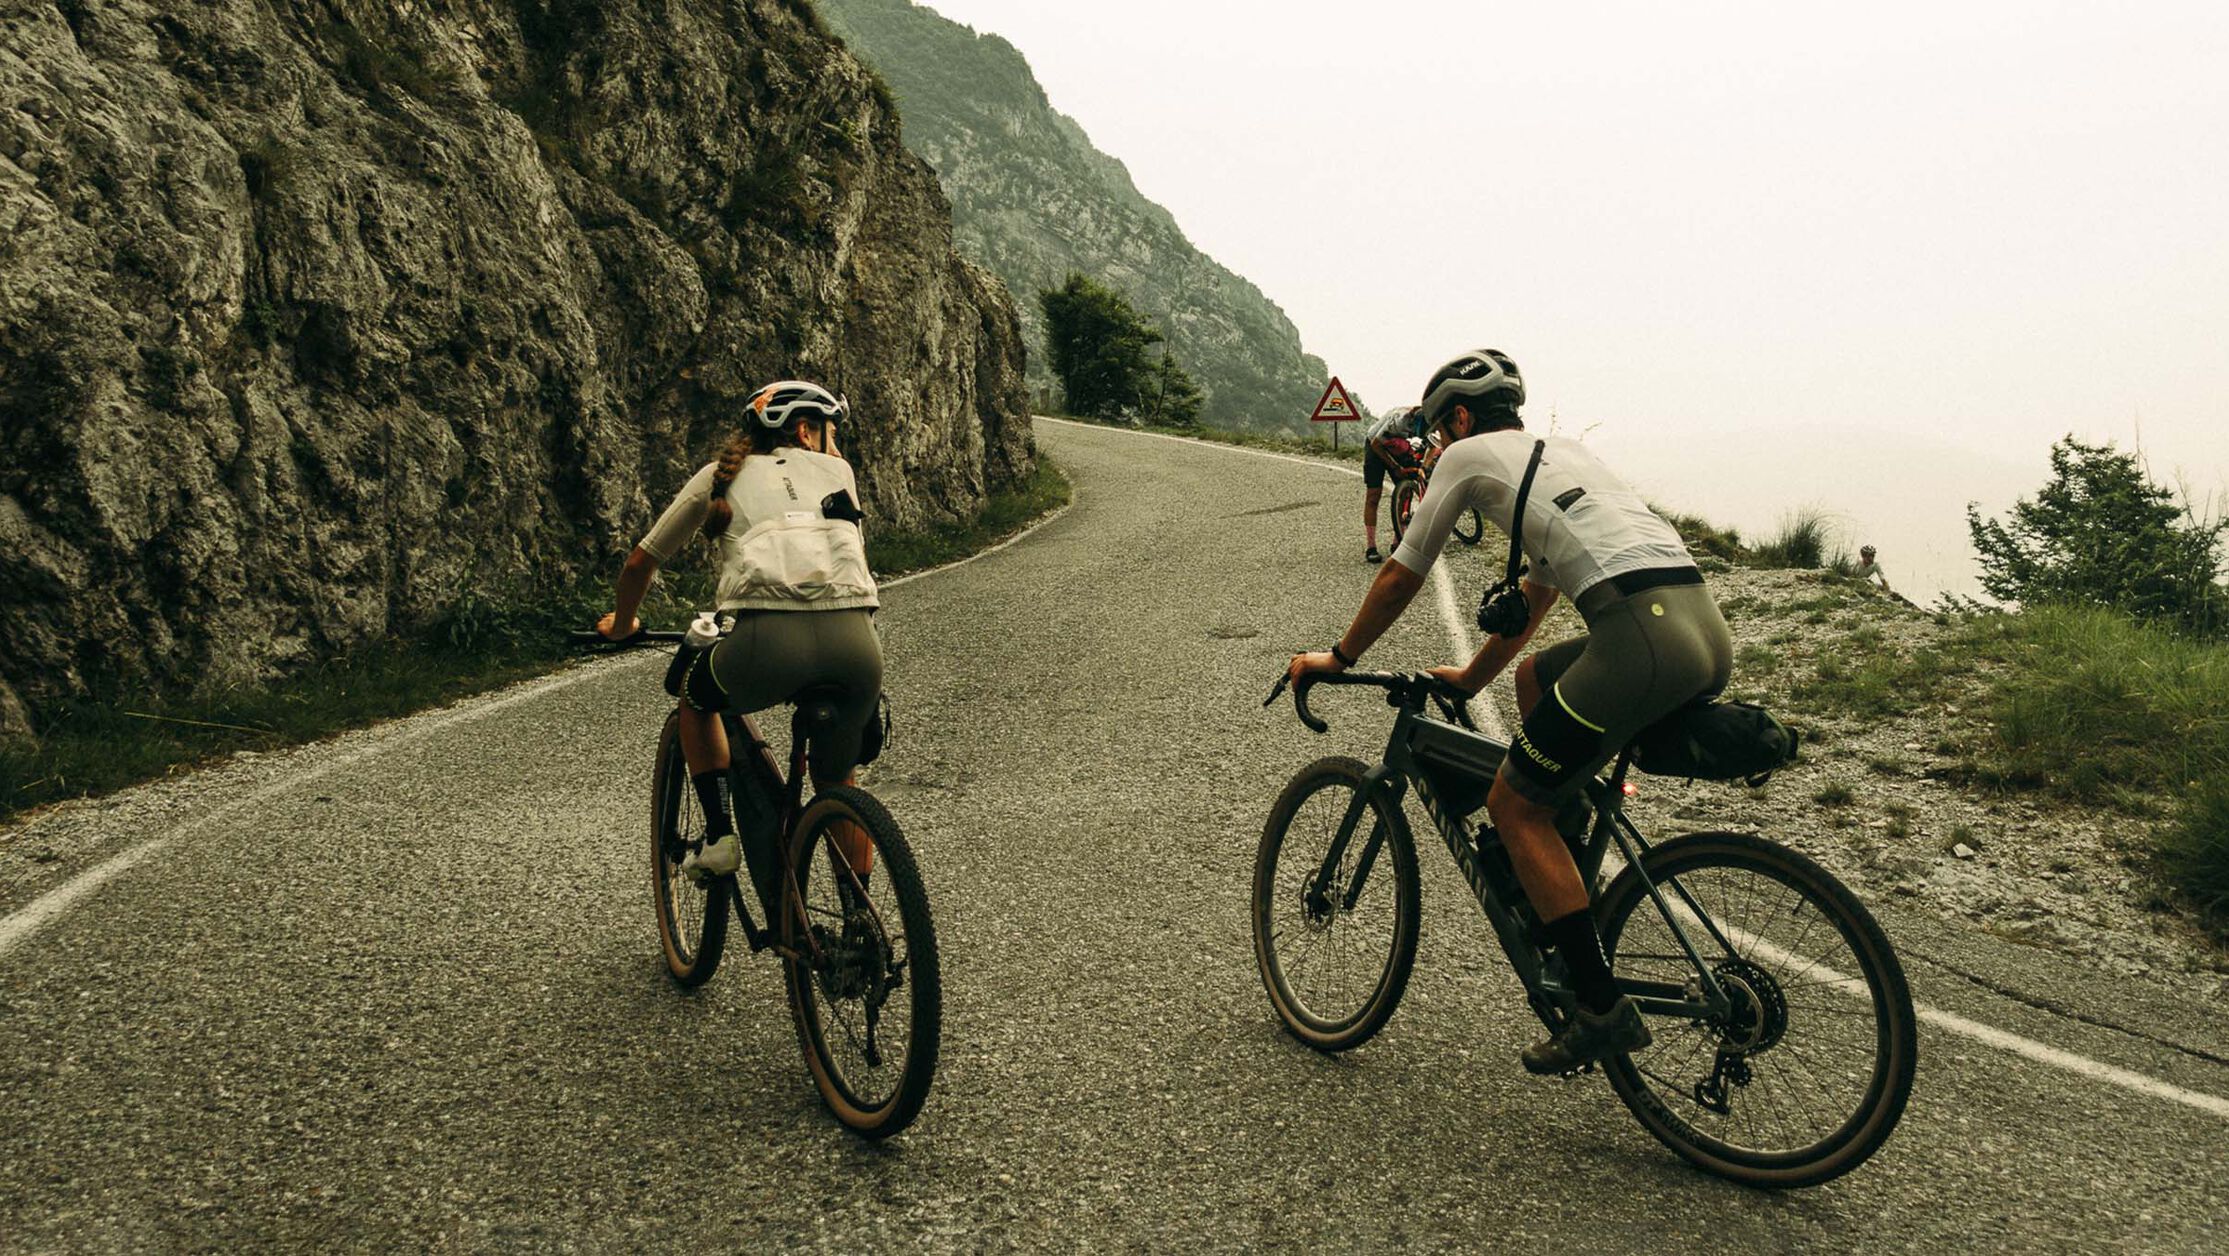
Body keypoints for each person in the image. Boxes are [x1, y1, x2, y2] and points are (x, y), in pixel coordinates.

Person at [1285, 348, 1733, 1075]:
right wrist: (1467, 677)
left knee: (1512, 805)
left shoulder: (1468, 458)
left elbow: (1402, 573)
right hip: (1700, 629)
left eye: (1436, 432)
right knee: (1533, 680)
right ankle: (1562, 863)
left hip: (1640, 636)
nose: (1433, 448)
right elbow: (1537, 599)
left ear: (1459, 418)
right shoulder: (1558, 457)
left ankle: (1596, 1010)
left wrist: (1339, 658)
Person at [599, 380, 881, 884]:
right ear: (804, 431)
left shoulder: (717, 478)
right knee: (838, 778)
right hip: (858, 648)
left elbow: (641, 562)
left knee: (695, 696)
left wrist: (623, 626)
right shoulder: (840, 472)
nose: (836, 448)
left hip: (766, 647)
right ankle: (860, 932)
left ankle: (718, 839)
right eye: (832, 434)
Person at [1360, 405, 1429, 562]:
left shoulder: (1427, 421)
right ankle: (1371, 547)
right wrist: (1395, 467)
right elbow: (1377, 444)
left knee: (1406, 491)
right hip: (1375, 446)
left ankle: (1397, 541)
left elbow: (1429, 445)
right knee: (1373, 495)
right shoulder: (1399, 420)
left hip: (1396, 445)